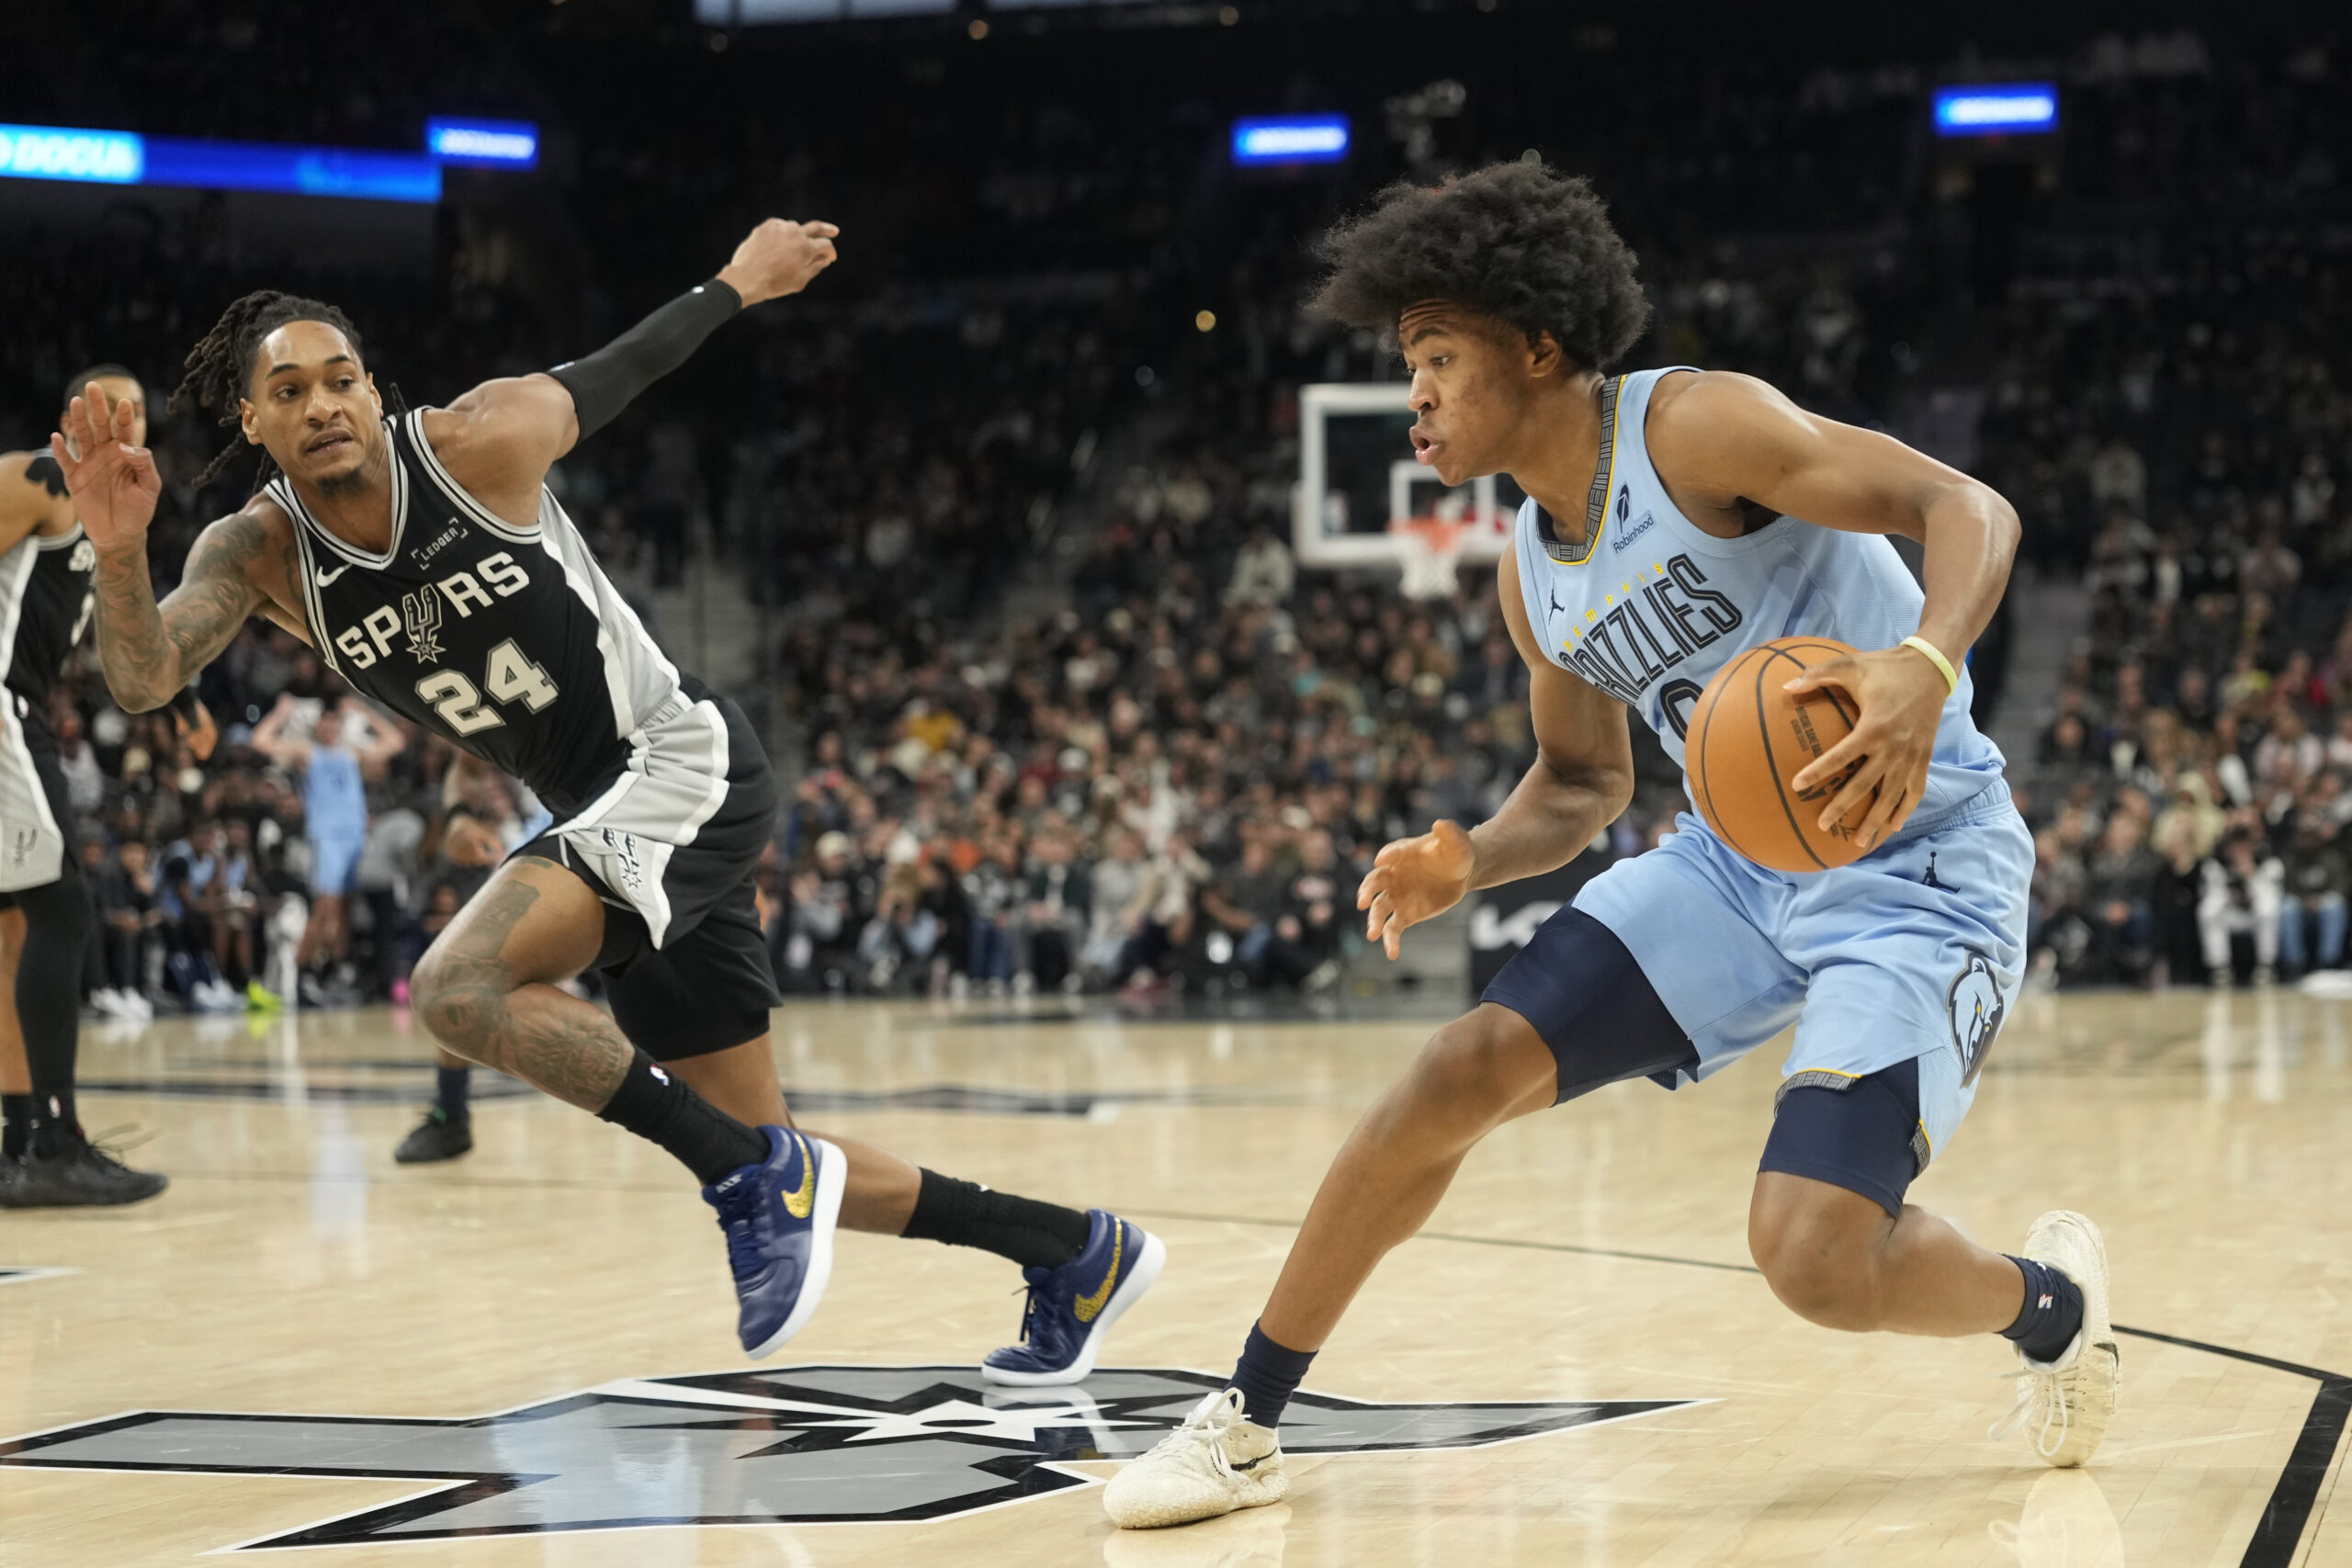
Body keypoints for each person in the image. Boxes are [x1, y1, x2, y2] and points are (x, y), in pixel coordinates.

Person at [1106, 163, 2111, 1530]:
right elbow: (1581, 781)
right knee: (1458, 1065)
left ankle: (2050, 1307)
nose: (1415, 395)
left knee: (1811, 1253)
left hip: (1915, 864)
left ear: (1536, 345)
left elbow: (1968, 507)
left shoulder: (1698, 428)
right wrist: (1469, 858)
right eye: (1410, 367)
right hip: (1735, 868)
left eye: (1438, 358)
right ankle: (1246, 1418)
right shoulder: (1533, 569)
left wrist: (1924, 666)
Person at [54, 217, 1160, 1379]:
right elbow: (144, 679)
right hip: (592, 813)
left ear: (375, 392)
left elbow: (621, 370)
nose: (323, 403)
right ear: (254, 421)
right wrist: (119, 550)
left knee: (458, 990)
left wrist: (736, 282)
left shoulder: (477, 440)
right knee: (764, 1139)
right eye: (290, 389)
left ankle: (747, 1183)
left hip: (679, 766)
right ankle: (1072, 1251)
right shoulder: (256, 552)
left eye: (341, 380)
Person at [0, 367, 169, 1207]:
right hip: (2, 711)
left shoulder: (113, 515)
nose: (121, 420)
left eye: (135, 410)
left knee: (13, 936)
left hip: (26, 710)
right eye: (105, 406)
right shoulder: (37, 476)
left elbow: (125, 625)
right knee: (63, 911)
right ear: (71, 416)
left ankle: (20, 1141)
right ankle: (57, 1138)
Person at [251, 691, 407, 1005]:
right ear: (317, 726)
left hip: (353, 838)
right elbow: (261, 742)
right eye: (324, 723)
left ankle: (333, 973)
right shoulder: (308, 752)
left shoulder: (351, 753)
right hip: (326, 836)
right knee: (326, 908)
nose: (329, 728)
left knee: (345, 912)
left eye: (334, 723)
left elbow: (396, 743)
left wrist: (364, 710)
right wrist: (281, 713)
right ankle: (301, 973)